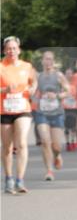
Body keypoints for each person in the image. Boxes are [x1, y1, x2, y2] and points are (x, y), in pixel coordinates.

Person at [1, 36, 37, 194]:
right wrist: (5, 90)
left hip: (23, 108)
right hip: (5, 110)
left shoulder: (27, 66)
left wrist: (33, 89)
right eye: (8, 48)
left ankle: (20, 180)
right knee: (7, 147)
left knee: (21, 143)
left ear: (19, 50)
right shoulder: (1, 67)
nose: (11, 51)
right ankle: (9, 178)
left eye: (14, 48)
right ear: (4, 50)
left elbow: (33, 81)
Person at [34, 51, 69, 181]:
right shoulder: (39, 76)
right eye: (46, 59)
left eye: (50, 59)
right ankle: (49, 171)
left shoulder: (59, 75)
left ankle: (57, 155)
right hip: (42, 112)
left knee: (56, 145)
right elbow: (34, 90)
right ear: (42, 61)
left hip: (57, 113)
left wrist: (57, 96)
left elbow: (68, 90)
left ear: (53, 61)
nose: (48, 62)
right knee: (44, 141)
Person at [62, 68, 77, 151]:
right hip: (65, 108)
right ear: (65, 75)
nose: (69, 75)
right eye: (67, 73)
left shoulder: (75, 84)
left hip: (74, 107)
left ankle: (72, 141)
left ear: (72, 75)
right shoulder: (62, 85)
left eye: (70, 73)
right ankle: (67, 143)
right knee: (66, 126)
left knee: (73, 126)